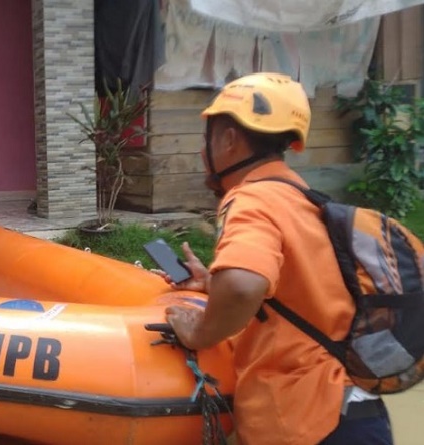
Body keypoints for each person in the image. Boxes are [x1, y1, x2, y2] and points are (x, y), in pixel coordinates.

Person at [153, 73, 393, 445]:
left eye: (208, 138)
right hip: (354, 408)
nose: (203, 153)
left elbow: (244, 284)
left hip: (306, 420)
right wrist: (212, 282)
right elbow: (298, 289)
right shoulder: (302, 197)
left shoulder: (250, 199)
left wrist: (199, 331)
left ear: (228, 139)